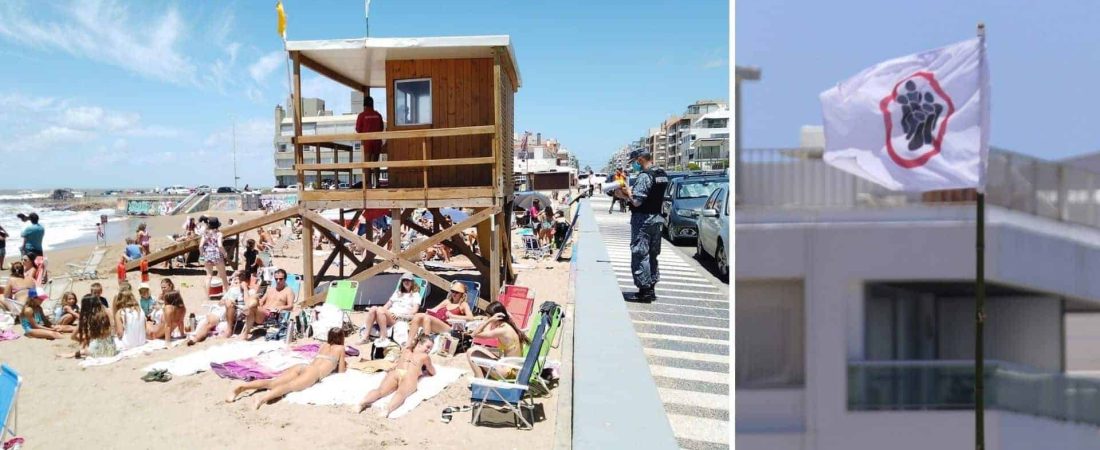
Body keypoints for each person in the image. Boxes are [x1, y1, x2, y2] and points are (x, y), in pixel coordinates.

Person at [226, 328, 347, 410]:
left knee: (272, 382)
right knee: (289, 386)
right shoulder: (341, 348)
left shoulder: (323, 345)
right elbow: (341, 371)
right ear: (341, 338)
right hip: (314, 373)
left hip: (304, 366)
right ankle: (261, 399)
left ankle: (242, 388)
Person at [614, 149, 669, 302]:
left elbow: (637, 201)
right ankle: (651, 287)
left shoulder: (645, 176)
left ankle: (644, 290)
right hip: (657, 218)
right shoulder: (661, 174)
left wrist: (625, 193)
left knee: (640, 253)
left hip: (643, 220)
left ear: (640, 160)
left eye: (634, 163)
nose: (634, 166)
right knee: (653, 254)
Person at [357, 336, 436, 417]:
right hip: (409, 375)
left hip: (396, 372)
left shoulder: (406, 350)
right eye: (428, 347)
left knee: (380, 391)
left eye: (430, 349)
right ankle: (387, 410)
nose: (428, 350)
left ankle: (361, 403)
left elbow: (397, 362)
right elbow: (432, 372)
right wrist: (423, 370)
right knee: (401, 394)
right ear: (419, 344)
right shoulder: (425, 357)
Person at [466, 301, 530, 379]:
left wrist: (489, 321)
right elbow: (485, 331)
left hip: (509, 373)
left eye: (488, 316)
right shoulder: (508, 324)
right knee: (477, 349)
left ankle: (480, 380)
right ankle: (481, 378)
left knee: (471, 353)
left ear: (495, 317)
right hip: (512, 367)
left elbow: (474, 334)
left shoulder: (502, 330)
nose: (488, 318)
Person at [406, 281, 474, 345]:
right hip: (437, 324)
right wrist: (428, 311)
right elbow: (434, 310)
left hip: (449, 327)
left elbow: (471, 318)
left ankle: (426, 343)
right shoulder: (446, 302)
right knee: (419, 316)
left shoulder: (463, 304)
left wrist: (453, 316)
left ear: (462, 294)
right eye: (452, 291)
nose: (454, 294)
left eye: (457, 292)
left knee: (427, 318)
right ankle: (408, 344)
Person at [362, 273, 421, 346]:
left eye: (408, 280)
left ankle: (383, 336)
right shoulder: (398, 292)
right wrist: (378, 311)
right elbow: (387, 305)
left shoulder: (415, 295)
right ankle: (365, 337)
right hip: (389, 315)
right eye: (404, 280)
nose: (406, 282)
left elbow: (415, 310)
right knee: (373, 309)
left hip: (399, 317)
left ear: (412, 282)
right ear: (402, 282)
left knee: (380, 310)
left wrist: (402, 315)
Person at [237, 269, 294, 340]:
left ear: (285, 279)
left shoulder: (288, 291)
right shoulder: (270, 289)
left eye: (280, 279)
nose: (278, 281)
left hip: (271, 315)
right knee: (254, 298)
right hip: (261, 312)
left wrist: (281, 307)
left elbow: (291, 306)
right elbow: (261, 301)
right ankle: (245, 332)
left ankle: (246, 310)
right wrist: (258, 302)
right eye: (276, 279)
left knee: (251, 306)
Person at [356, 95, 385, 188]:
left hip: (367, 141)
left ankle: (368, 184)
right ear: (372, 104)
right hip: (377, 141)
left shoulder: (362, 115)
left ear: (364, 105)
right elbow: (381, 128)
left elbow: (358, 129)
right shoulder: (378, 115)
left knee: (367, 162)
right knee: (375, 162)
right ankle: (377, 183)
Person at [200, 217, 230, 297]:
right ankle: (228, 294)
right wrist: (225, 253)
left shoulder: (205, 233)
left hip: (207, 255)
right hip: (217, 255)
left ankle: (207, 296)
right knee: (223, 275)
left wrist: (202, 255)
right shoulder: (219, 234)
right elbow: (220, 245)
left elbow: (200, 246)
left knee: (209, 275)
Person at [112, 286, 147, 350]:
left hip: (127, 344)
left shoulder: (120, 312)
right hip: (142, 341)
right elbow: (145, 327)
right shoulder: (140, 310)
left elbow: (120, 333)